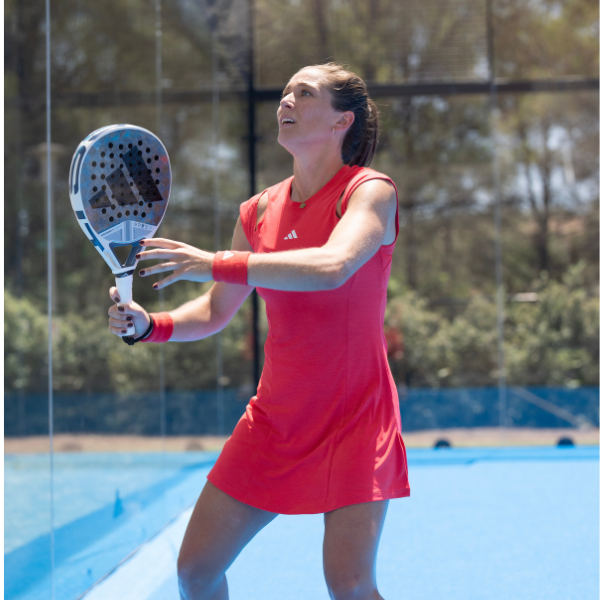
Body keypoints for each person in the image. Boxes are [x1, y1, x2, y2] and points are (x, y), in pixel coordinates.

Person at [107, 62, 410, 600]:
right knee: (195, 572)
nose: (286, 101)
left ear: (342, 120)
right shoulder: (258, 211)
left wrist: (216, 262)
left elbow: (333, 265)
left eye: (304, 93)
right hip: (274, 422)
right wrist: (151, 325)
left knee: (350, 584)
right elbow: (215, 311)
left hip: (356, 419)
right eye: (286, 92)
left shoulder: (369, 192)